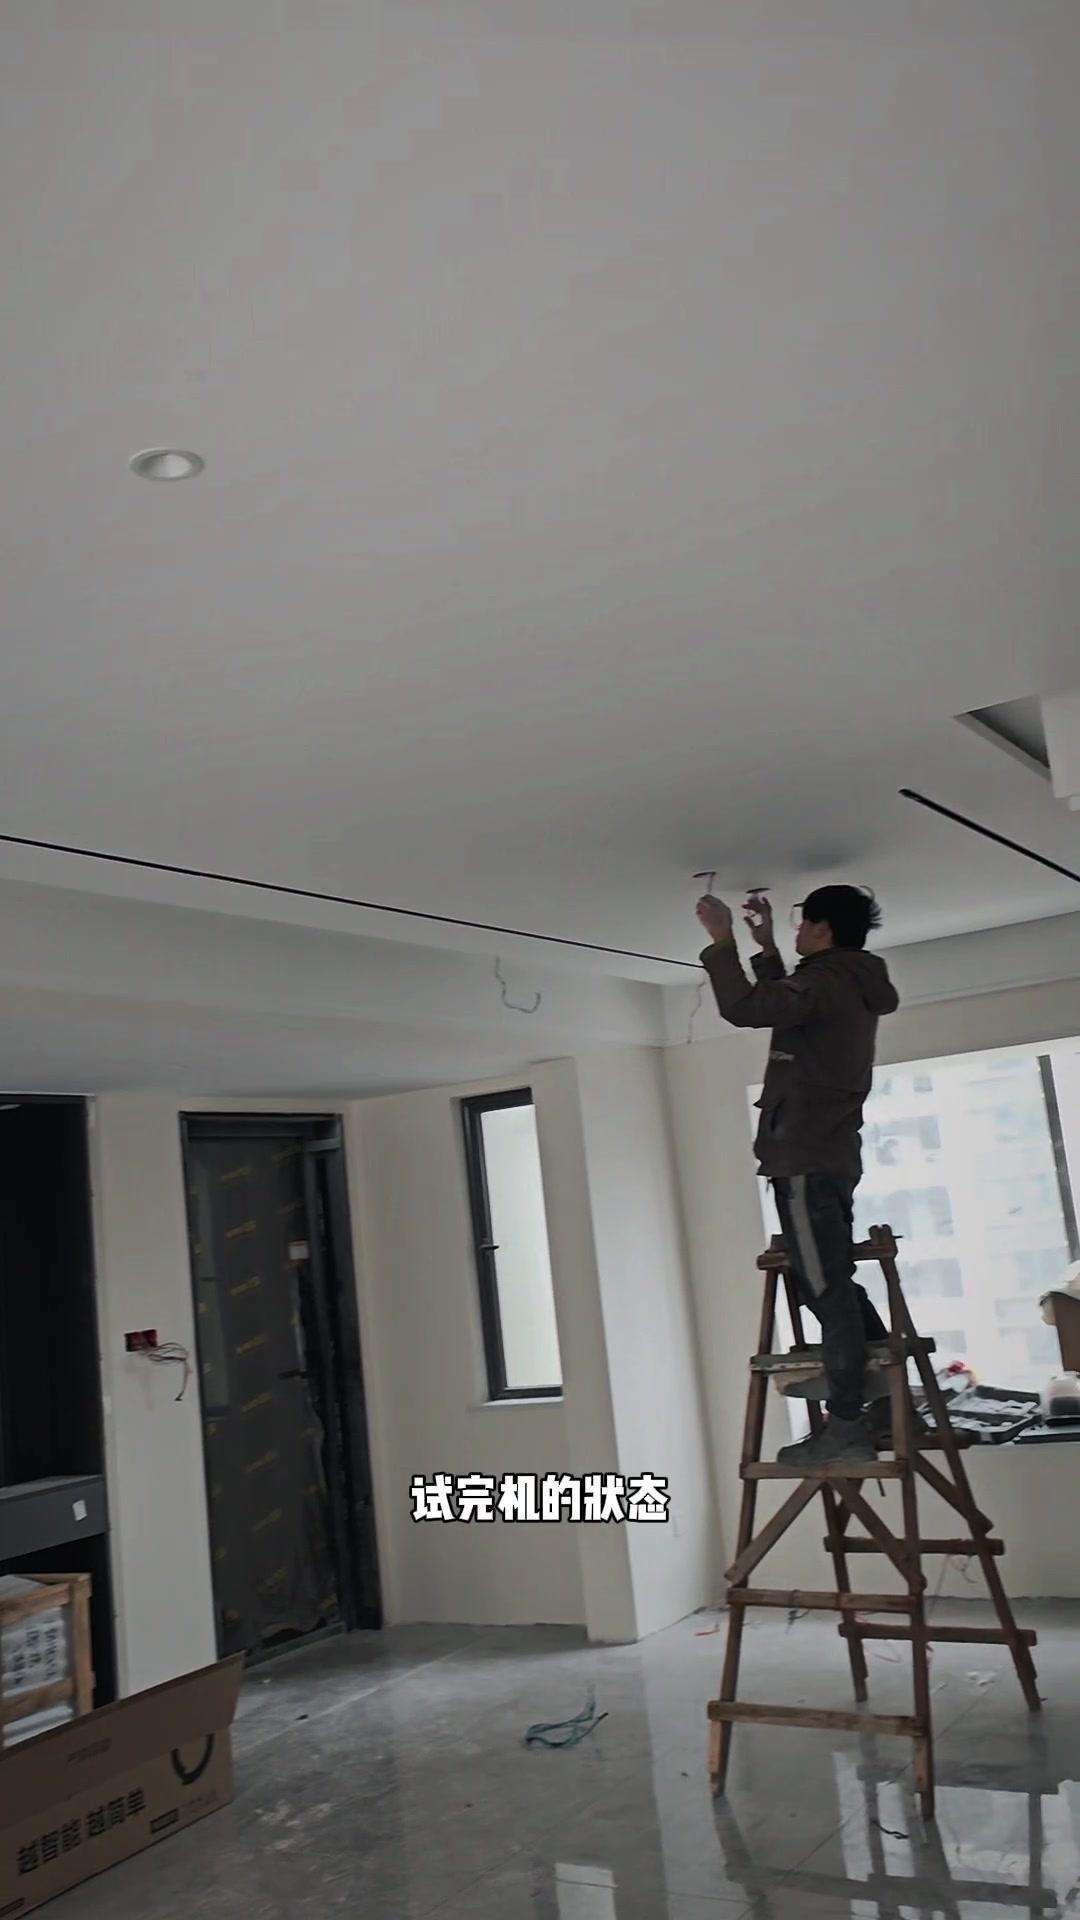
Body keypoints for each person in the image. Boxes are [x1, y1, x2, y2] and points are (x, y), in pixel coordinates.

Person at [695, 885, 900, 1466]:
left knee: (824, 1287)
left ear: (823, 929)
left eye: (801, 923)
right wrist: (765, 948)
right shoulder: (850, 980)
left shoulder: (827, 982)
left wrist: (723, 942)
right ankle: (884, 1402)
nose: (797, 931)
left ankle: (847, 1422)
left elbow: (746, 1008)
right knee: (829, 1281)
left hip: (805, 1157)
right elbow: (790, 1003)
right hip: (829, 1154)